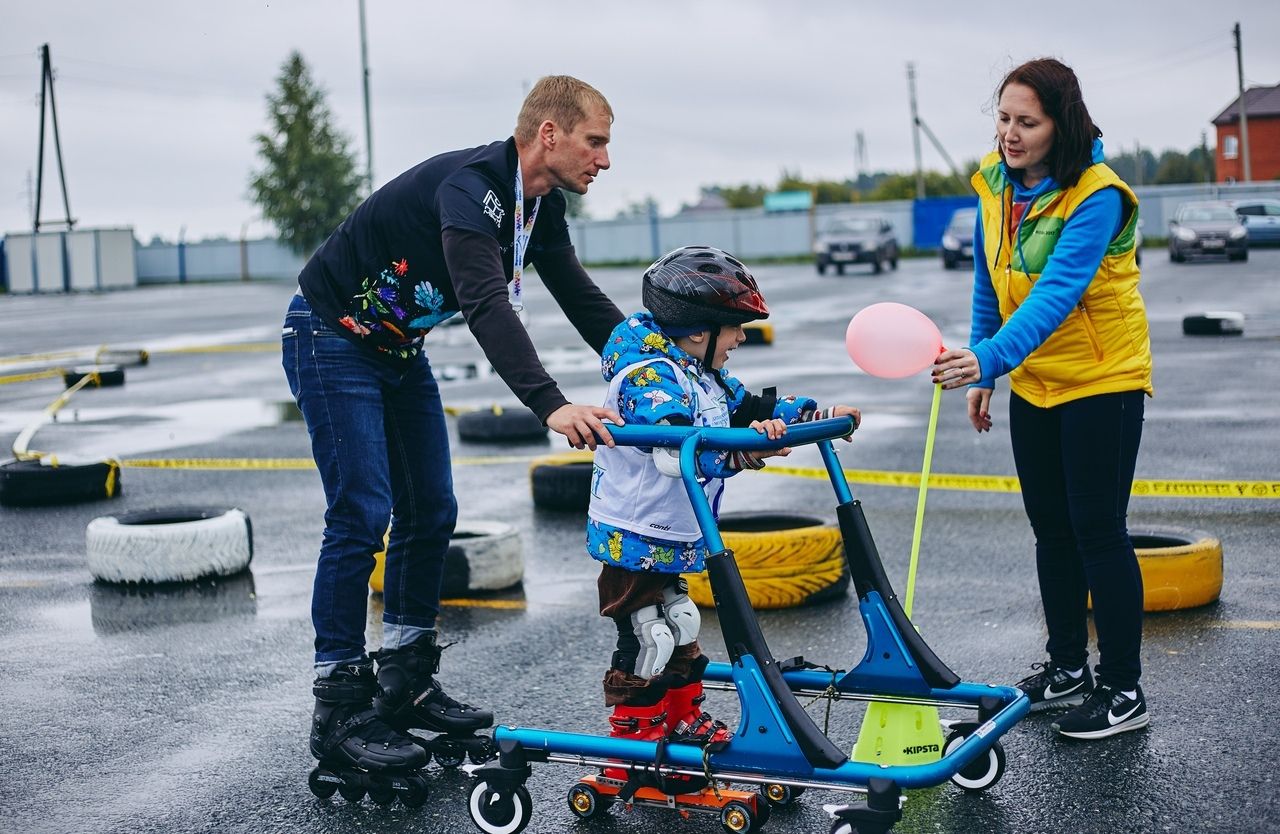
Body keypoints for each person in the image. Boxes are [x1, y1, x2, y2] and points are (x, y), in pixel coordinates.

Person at [283, 75, 625, 782]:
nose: (605, 159)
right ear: (549, 135)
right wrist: (550, 403)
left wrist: (654, 368)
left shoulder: (539, 208)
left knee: (432, 508)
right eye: (596, 142)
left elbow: (584, 302)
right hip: (330, 336)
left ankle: (403, 676)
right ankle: (340, 705)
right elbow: (484, 302)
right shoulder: (472, 189)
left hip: (394, 348)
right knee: (361, 511)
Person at [932, 58, 1152, 740]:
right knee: (1050, 531)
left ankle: (1122, 690)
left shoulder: (1097, 194)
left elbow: (1057, 295)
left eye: (1027, 122)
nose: (1010, 134)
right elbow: (988, 284)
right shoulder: (994, 184)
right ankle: (1066, 670)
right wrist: (987, 371)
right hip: (1034, 382)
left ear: (1062, 123)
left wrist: (989, 357)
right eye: (1002, 118)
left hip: (1101, 381)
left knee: (1098, 534)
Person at [586, 245, 860, 784]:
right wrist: (742, 450)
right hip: (634, 537)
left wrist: (815, 416)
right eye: (734, 329)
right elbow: (677, 449)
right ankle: (634, 736)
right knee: (649, 636)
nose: (740, 339)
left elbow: (749, 409)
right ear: (696, 330)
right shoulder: (649, 378)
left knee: (683, 626)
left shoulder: (699, 370)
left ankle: (681, 719)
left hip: (678, 534)